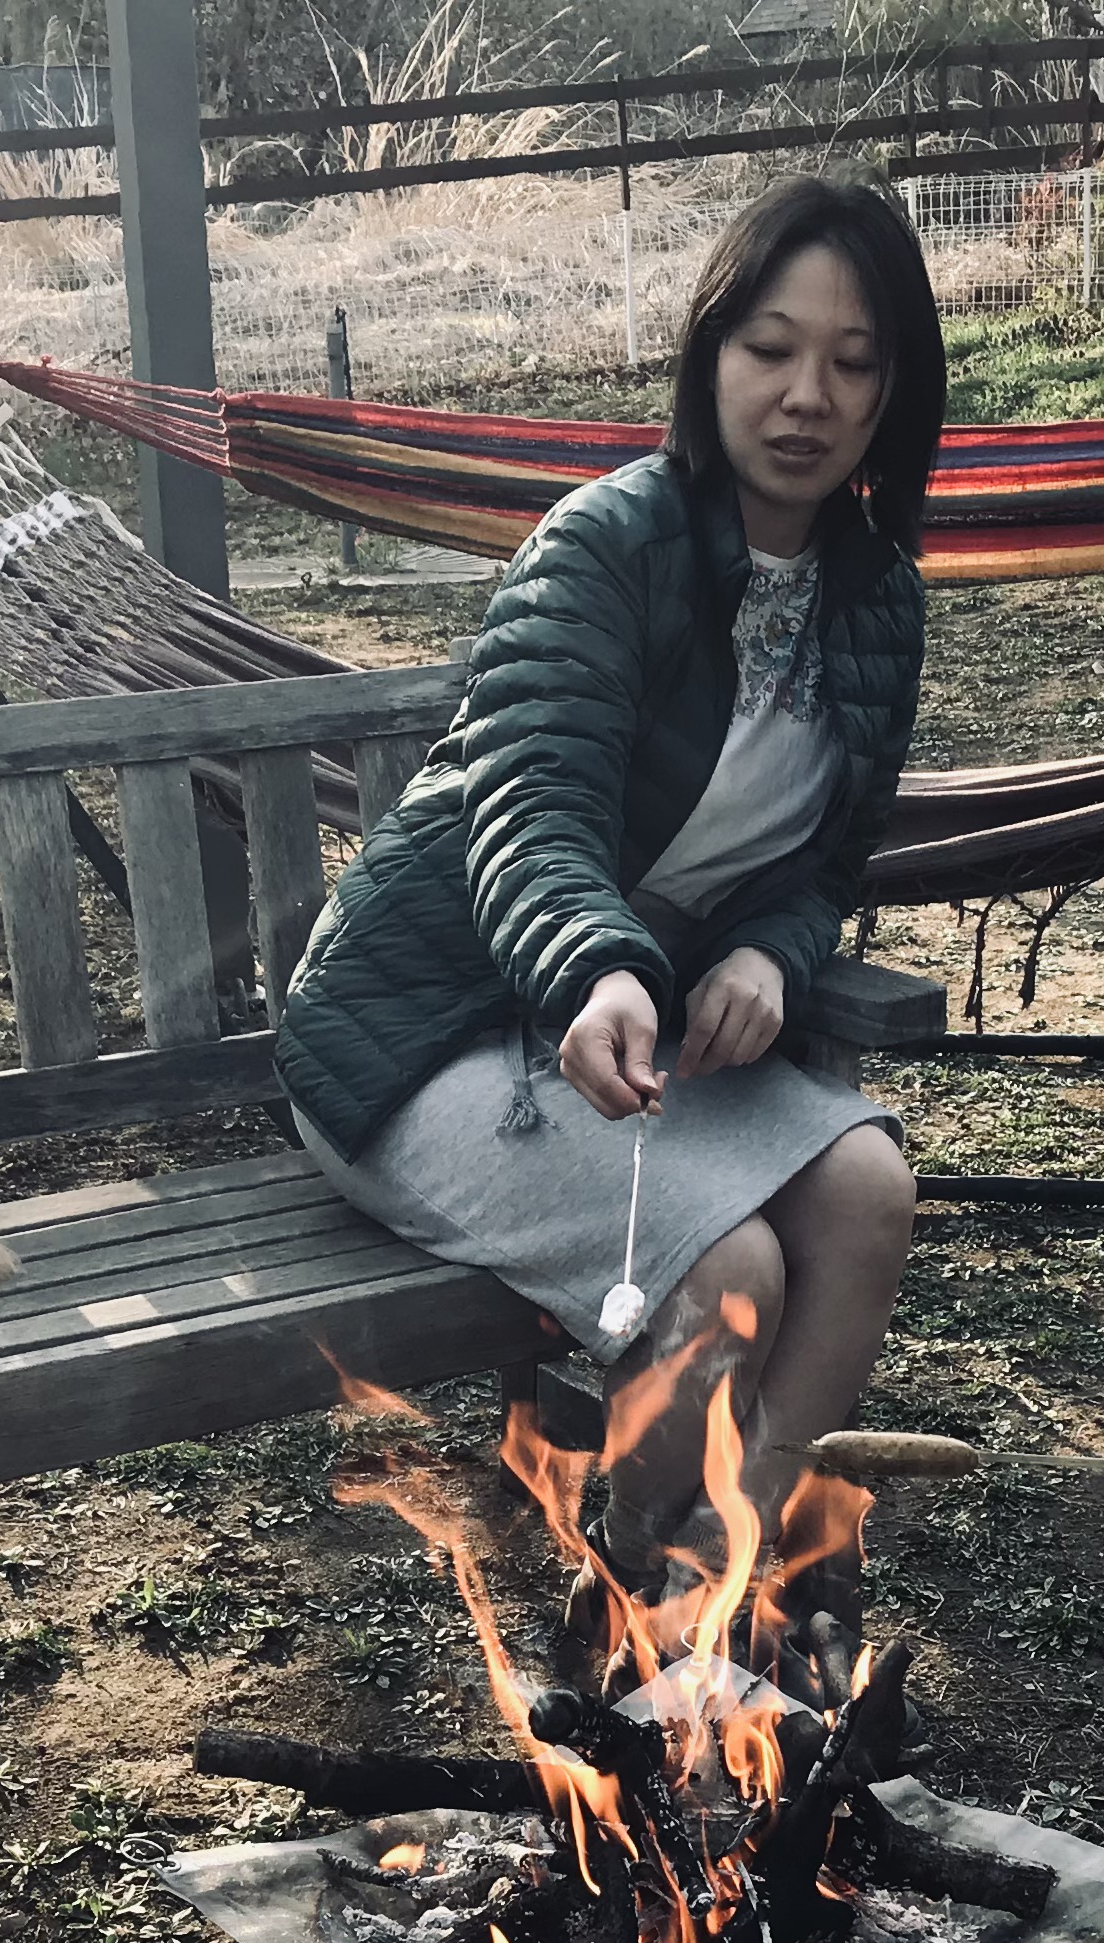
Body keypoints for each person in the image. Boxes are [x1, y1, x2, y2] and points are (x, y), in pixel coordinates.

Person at [273, 175, 939, 1670]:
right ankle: (644, 1631)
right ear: (712, 356)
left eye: (854, 359)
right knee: (730, 1275)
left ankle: (716, 1590)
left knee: (866, 1193)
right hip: (427, 1029)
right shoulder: (607, 546)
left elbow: (829, 856)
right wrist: (594, 961)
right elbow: (531, 808)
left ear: (896, 387)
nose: (808, 395)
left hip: (627, 1042)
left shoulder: (876, 601)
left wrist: (776, 948)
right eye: (772, 347)